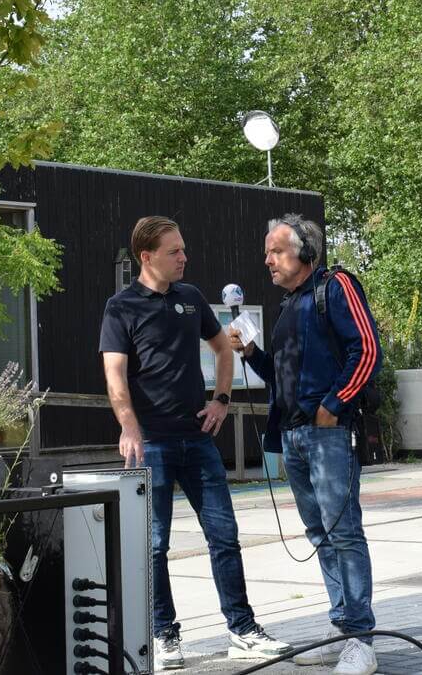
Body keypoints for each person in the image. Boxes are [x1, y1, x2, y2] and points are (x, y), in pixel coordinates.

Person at [99, 216, 290, 671]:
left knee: (225, 537)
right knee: (154, 545)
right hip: (152, 446)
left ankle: (242, 630)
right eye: (174, 251)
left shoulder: (190, 299)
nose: (184, 257)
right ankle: (164, 636)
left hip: (198, 440)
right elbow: (115, 375)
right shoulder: (121, 307)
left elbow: (224, 348)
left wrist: (221, 400)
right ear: (147, 257)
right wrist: (129, 427)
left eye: (183, 249)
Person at [229, 214, 382, 675]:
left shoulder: (335, 287)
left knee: (344, 532)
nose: (267, 260)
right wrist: (251, 355)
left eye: (276, 251)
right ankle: (342, 629)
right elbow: (279, 375)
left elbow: (368, 349)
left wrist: (333, 405)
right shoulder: (289, 304)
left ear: (305, 253)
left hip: (327, 433)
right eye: (267, 252)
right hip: (294, 437)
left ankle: (361, 637)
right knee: (320, 534)